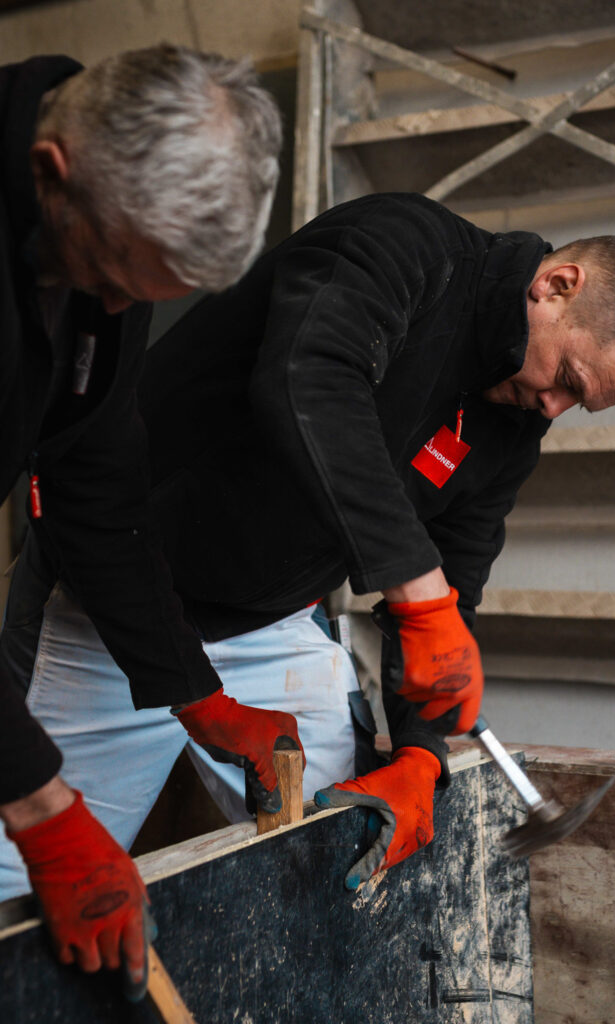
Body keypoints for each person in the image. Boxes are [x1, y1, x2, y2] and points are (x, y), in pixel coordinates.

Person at [0, 191, 615, 900]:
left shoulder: (514, 425)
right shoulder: (406, 245)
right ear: (555, 284)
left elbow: (452, 588)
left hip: (269, 625)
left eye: (579, 405)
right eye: (568, 380)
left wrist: (421, 750)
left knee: (353, 847)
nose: (553, 408)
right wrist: (419, 594)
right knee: (31, 880)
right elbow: (310, 382)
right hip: (113, 611)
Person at [0, 44, 288, 1000]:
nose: (118, 307)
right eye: (115, 279)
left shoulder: (95, 247)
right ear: (53, 173)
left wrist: (190, 689)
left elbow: (97, 492)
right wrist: (43, 810)